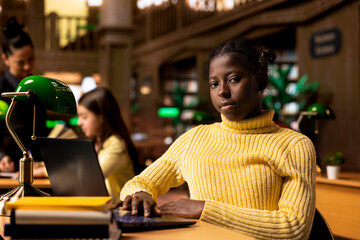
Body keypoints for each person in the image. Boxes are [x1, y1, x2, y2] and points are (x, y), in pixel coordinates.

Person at [116, 39, 316, 239]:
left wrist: (205, 210)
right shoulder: (194, 139)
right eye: (214, 83)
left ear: (261, 80)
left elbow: (294, 228)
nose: (222, 91)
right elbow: (140, 181)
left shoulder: (293, 145)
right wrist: (140, 195)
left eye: (234, 79)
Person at [0, 17, 48, 172]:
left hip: (36, 167)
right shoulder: (1, 89)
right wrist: (0, 158)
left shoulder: (38, 87)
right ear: (5, 59)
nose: (28, 66)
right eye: (20, 62)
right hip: (8, 167)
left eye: (31, 59)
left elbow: (41, 130)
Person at [77, 87, 140, 202]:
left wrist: (43, 170)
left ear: (101, 117)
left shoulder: (116, 143)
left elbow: (90, 177)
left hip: (121, 212)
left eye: (84, 117)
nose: (79, 122)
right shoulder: (100, 142)